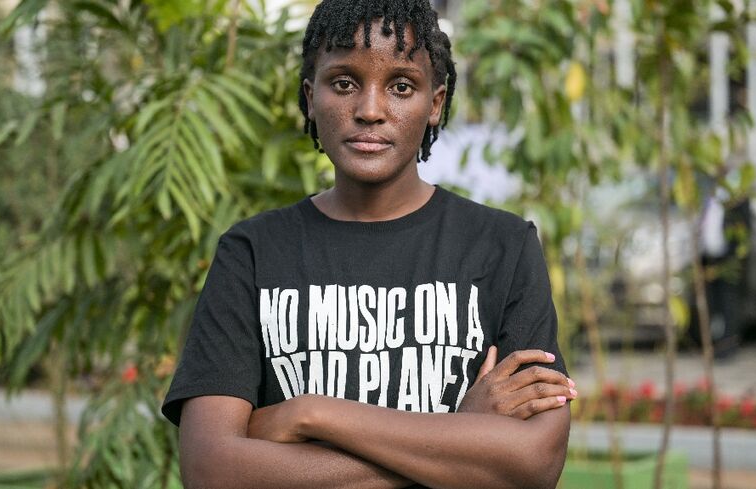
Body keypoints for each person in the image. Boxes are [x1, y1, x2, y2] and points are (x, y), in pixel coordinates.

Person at [161, 1, 576, 487]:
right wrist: (459, 438)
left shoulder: (503, 247)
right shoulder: (252, 253)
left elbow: (536, 463)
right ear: (310, 97)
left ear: (435, 103)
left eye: (401, 86)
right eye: (343, 83)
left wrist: (310, 415)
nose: (370, 111)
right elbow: (212, 471)